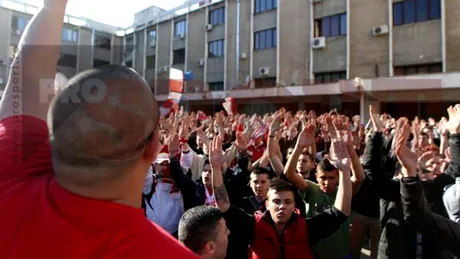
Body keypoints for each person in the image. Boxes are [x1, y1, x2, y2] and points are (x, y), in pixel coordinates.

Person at [0, 1, 198, 257]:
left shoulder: (12, 169)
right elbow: (29, 71)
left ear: (52, 136)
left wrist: (53, 6)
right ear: (153, 147)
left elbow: (28, 72)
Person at [210, 134, 353, 259]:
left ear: (294, 206)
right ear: (267, 204)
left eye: (287, 202)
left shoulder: (306, 228)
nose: (282, 206)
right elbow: (223, 206)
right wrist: (215, 169)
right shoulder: (253, 226)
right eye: (276, 201)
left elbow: (340, 212)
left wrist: (345, 171)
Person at [284, 119, 365, 259]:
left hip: (341, 254)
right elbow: (289, 174)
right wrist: (298, 146)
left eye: (332, 178)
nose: (327, 182)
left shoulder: (343, 192)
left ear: (338, 178)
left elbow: (359, 178)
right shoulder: (311, 189)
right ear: (316, 176)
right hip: (314, 254)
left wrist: (350, 148)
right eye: (323, 178)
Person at [394, 108, 460, 258]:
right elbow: (418, 215)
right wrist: (410, 173)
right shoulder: (418, 187)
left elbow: (454, 170)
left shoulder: (437, 185)